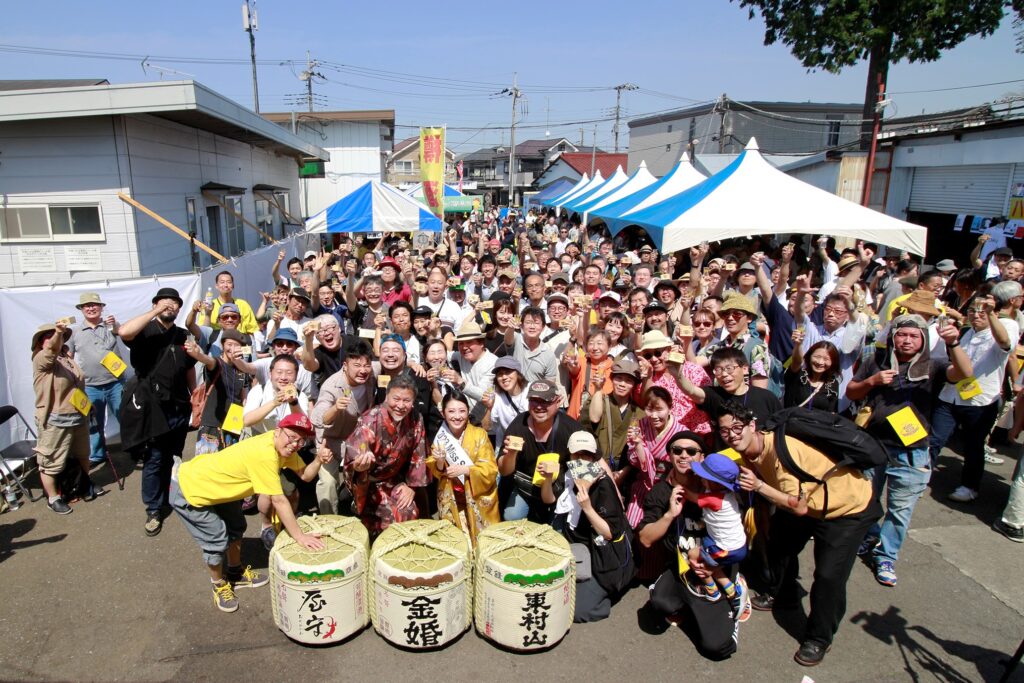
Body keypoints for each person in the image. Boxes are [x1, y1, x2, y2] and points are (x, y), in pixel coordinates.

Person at [718, 402, 880, 667]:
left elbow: (798, 506)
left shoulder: (780, 454)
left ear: (752, 425)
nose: (731, 435)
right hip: (809, 501)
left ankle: (819, 637)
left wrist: (758, 486)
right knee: (780, 542)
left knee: (829, 576)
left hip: (848, 508)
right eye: (725, 430)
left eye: (737, 427)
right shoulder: (748, 448)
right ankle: (783, 595)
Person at [847, 314, 971, 587]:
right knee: (866, 500)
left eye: (914, 336)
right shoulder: (874, 362)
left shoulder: (934, 366)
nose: (907, 340)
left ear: (924, 341)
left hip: (912, 450)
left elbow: (964, 374)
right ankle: (869, 536)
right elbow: (852, 391)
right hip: (874, 444)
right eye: (902, 334)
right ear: (892, 336)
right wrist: (872, 381)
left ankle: (886, 555)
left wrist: (954, 344)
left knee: (900, 510)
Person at [169, 413, 326, 612]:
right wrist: (300, 537)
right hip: (189, 488)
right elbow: (278, 500)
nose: (295, 444)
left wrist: (319, 459)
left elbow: (305, 475)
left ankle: (235, 572)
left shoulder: (285, 448)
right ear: (277, 431)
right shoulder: (265, 453)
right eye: (292, 436)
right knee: (217, 539)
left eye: (301, 440)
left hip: (218, 489)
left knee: (237, 525)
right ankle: (218, 584)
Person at [638, 431, 741, 659]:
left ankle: (731, 600)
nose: (684, 455)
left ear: (702, 456)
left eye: (692, 451)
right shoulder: (660, 491)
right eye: (677, 451)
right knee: (661, 604)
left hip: (715, 567)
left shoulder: (714, 487)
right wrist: (669, 515)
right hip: (682, 568)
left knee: (717, 648)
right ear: (670, 456)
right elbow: (645, 538)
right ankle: (690, 604)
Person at [118, 288, 197, 537]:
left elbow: (189, 369)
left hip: (179, 405)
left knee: (174, 456)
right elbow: (124, 332)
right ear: (155, 303)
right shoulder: (144, 331)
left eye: (175, 302)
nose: (170, 305)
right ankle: (153, 508)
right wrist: (154, 311)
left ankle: (172, 496)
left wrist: (195, 399)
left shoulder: (182, 335)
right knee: (154, 458)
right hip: (152, 407)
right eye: (165, 301)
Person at [929, 286, 1017, 504]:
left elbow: (1005, 343)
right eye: (973, 311)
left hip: (981, 400)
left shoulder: (1006, 326)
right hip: (951, 395)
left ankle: (969, 486)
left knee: (973, 445)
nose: (976, 315)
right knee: (935, 438)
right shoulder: (967, 333)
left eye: (982, 312)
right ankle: (920, 475)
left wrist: (991, 314)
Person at [542, 430, 629, 623]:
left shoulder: (603, 484)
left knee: (574, 611)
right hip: (573, 544)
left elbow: (609, 534)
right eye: (577, 455)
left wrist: (587, 507)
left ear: (594, 456)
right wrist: (548, 479)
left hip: (599, 554)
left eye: (587, 455)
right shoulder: (566, 473)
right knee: (549, 592)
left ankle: (602, 598)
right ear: (569, 455)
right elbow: (549, 499)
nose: (581, 460)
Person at [31, 321, 106, 514]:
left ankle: (82, 485)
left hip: (77, 416)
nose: (53, 338)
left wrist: (87, 406)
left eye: (55, 335)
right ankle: (53, 497)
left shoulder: (66, 356)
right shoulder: (41, 358)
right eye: (47, 336)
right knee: (51, 462)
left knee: (82, 455)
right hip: (54, 419)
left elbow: (76, 385)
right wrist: (57, 332)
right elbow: (50, 352)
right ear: (40, 343)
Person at [344, 374, 428, 537]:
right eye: (396, 399)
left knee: (408, 510)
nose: (400, 405)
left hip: (396, 479)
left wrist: (410, 487)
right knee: (390, 516)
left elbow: (419, 454)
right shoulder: (370, 420)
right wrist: (360, 466)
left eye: (407, 401)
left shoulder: (416, 419)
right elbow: (355, 455)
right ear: (386, 396)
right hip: (369, 482)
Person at [498, 380, 582, 522]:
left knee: (558, 533)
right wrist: (511, 454)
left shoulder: (570, 428)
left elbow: (595, 459)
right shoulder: (519, 425)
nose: (539, 407)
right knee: (511, 516)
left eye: (545, 402)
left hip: (557, 490)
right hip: (526, 488)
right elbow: (504, 471)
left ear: (558, 401)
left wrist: (614, 492)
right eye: (534, 401)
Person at [310, 340, 375, 515]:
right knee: (328, 483)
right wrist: (335, 408)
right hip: (330, 440)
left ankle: (362, 512)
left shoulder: (370, 376)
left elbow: (388, 362)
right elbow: (317, 417)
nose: (363, 370)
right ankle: (329, 521)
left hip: (357, 439)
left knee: (368, 472)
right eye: (357, 365)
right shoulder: (332, 386)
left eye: (366, 365)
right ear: (345, 365)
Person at [427, 390, 499, 543]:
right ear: (443, 412)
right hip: (450, 495)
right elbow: (437, 472)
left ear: (468, 411)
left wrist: (466, 470)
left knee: (481, 543)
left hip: (475, 495)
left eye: (462, 411)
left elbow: (491, 469)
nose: (457, 416)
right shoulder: (441, 436)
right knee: (455, 542)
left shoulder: (480, 434)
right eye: (451, 411)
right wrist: (439, 462)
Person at [683, 453, 747, 615]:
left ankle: (712, 592)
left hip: (724, 547)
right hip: (737, 546)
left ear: (716, 483)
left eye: (704, 477)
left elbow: (691, 496)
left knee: (694, 557)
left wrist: (678, 483)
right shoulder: (728, 494)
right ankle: (732, 591)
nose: (701, 479)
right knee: (712, 566)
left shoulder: (714, 498)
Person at [66, 292, 123, 469]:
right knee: (92, 423)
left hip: (115, 382)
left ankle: (134, 448)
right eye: (86, 306)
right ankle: (97, 455)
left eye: (94, 305)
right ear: (81, 309)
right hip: (90, 385)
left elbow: (121, 334)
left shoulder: (110, 325)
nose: (91, 308)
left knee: (126, 417)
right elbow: (68, 356)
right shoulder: (74, 331)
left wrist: (115, 326)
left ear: (101, 307)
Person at [582, 358, 644, 478]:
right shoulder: (598, 400)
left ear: (634, 385)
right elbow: (594, 418)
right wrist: (598, 389)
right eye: (618, 378)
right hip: (596, 465)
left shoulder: (639, 413)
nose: (622, 384)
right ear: (612, 379)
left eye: (628, 380)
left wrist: (624, 472)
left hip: (625, 471)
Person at [448, 321, 498, 416]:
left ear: (481, 343)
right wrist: (412, 363)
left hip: (485, 421)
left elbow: (483, 395)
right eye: (461, 343)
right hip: (463, 417)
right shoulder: (459, 356)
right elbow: (440, 354)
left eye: (469, 342)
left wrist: (460, 382)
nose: (464, 347)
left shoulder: (493, 363)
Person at [480, 356, 530, 448]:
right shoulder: (496, 396)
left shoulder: (531, 391)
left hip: (531, 442)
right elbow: (486, 427)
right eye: (500, 374)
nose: (504, 377)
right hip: (509, 445)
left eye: (508, 372)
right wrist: (489, 408)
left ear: (518, 373)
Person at [784, 337, 841, 412]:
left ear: (833, 362)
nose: (820, 362)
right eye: (817, 357)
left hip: (818, 422)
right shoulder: (798, 374)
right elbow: (797, 361)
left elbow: (831, 412)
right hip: (793, 420)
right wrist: (798, 345)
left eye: (826, 359)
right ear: (809, 356)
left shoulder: (832, 383)